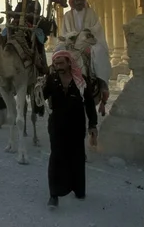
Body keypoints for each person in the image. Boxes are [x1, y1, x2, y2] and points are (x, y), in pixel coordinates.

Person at [43, 50, 98, 208]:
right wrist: (37, 91)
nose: (58, 66)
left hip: (76, 125)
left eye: (61, 63)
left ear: (69, 63)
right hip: (57, 125)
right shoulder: (51, 79)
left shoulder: (81, 80)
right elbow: (42, 96)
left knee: (77, 158)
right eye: (56, 63)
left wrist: (92, 125)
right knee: (56, 158)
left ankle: (78, 190)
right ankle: (54, 195)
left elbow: (89, 104)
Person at [61, 0, 111, 88]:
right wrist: (71, 37)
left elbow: (97, 27)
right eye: (77, 1)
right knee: (58, 51)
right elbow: (64, 31)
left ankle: (101, 80)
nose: (79, 3)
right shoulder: (67, 15)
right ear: (73, 2)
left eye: (81, 0)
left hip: (89, 41)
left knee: (100, 52)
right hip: (72, 42)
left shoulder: (91, 13)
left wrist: (90, 30)